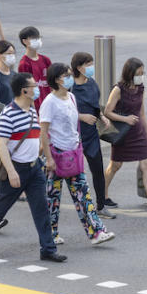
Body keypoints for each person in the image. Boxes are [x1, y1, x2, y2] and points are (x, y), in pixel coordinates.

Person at [0, 73, 66, 263]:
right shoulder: (9, 114)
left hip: (34, 168)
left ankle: (48, 248)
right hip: (16, 169)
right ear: (24, 90)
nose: (37, 88)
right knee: (1, 207)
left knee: (41, 209)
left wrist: (43, 158)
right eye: (33, 86)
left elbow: (37, 137)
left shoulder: (31, 110)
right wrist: (12, 172)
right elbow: (1, 145)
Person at [40, 62, 114, 246]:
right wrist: (48, 158)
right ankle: (51, 234)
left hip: (72, 153)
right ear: (57, 79)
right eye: (66, 75)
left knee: (83, 194)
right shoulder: (49, 102)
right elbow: (43, 132)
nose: (70, 78)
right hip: (56, 156)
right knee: (52, 199)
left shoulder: (71, 97)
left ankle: (97, 232)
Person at [103, 58, 147, 213]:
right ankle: (102, 195)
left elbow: (141, 113)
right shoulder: (118, 89)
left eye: (143, 73)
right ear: (130, 73)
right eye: (139, 73)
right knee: (115, 165)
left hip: (138, 131)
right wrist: (126, 119)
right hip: (122, 132)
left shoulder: (140, 88)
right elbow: (107, 112)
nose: (141, 76)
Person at [68, 52, 112, 218]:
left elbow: (95, 105)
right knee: (73, 173)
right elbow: (63, 112)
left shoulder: (92, 83)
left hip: (91, 134)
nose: (91, 67)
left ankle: (101, 205)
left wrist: (101, 116)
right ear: (79, 68)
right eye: (88, 64)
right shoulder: (69, 88)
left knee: (98, 169)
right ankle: (80, 205)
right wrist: (81, 116)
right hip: (74, 135)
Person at [15, 25, 52, 109]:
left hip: (49, 103)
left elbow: (52, 82)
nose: (38, 40)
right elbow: (26, 90)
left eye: (38, 37)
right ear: (24, 41)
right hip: (36, 106)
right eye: (33, 38)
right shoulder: (24, 64)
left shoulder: (46, 60)